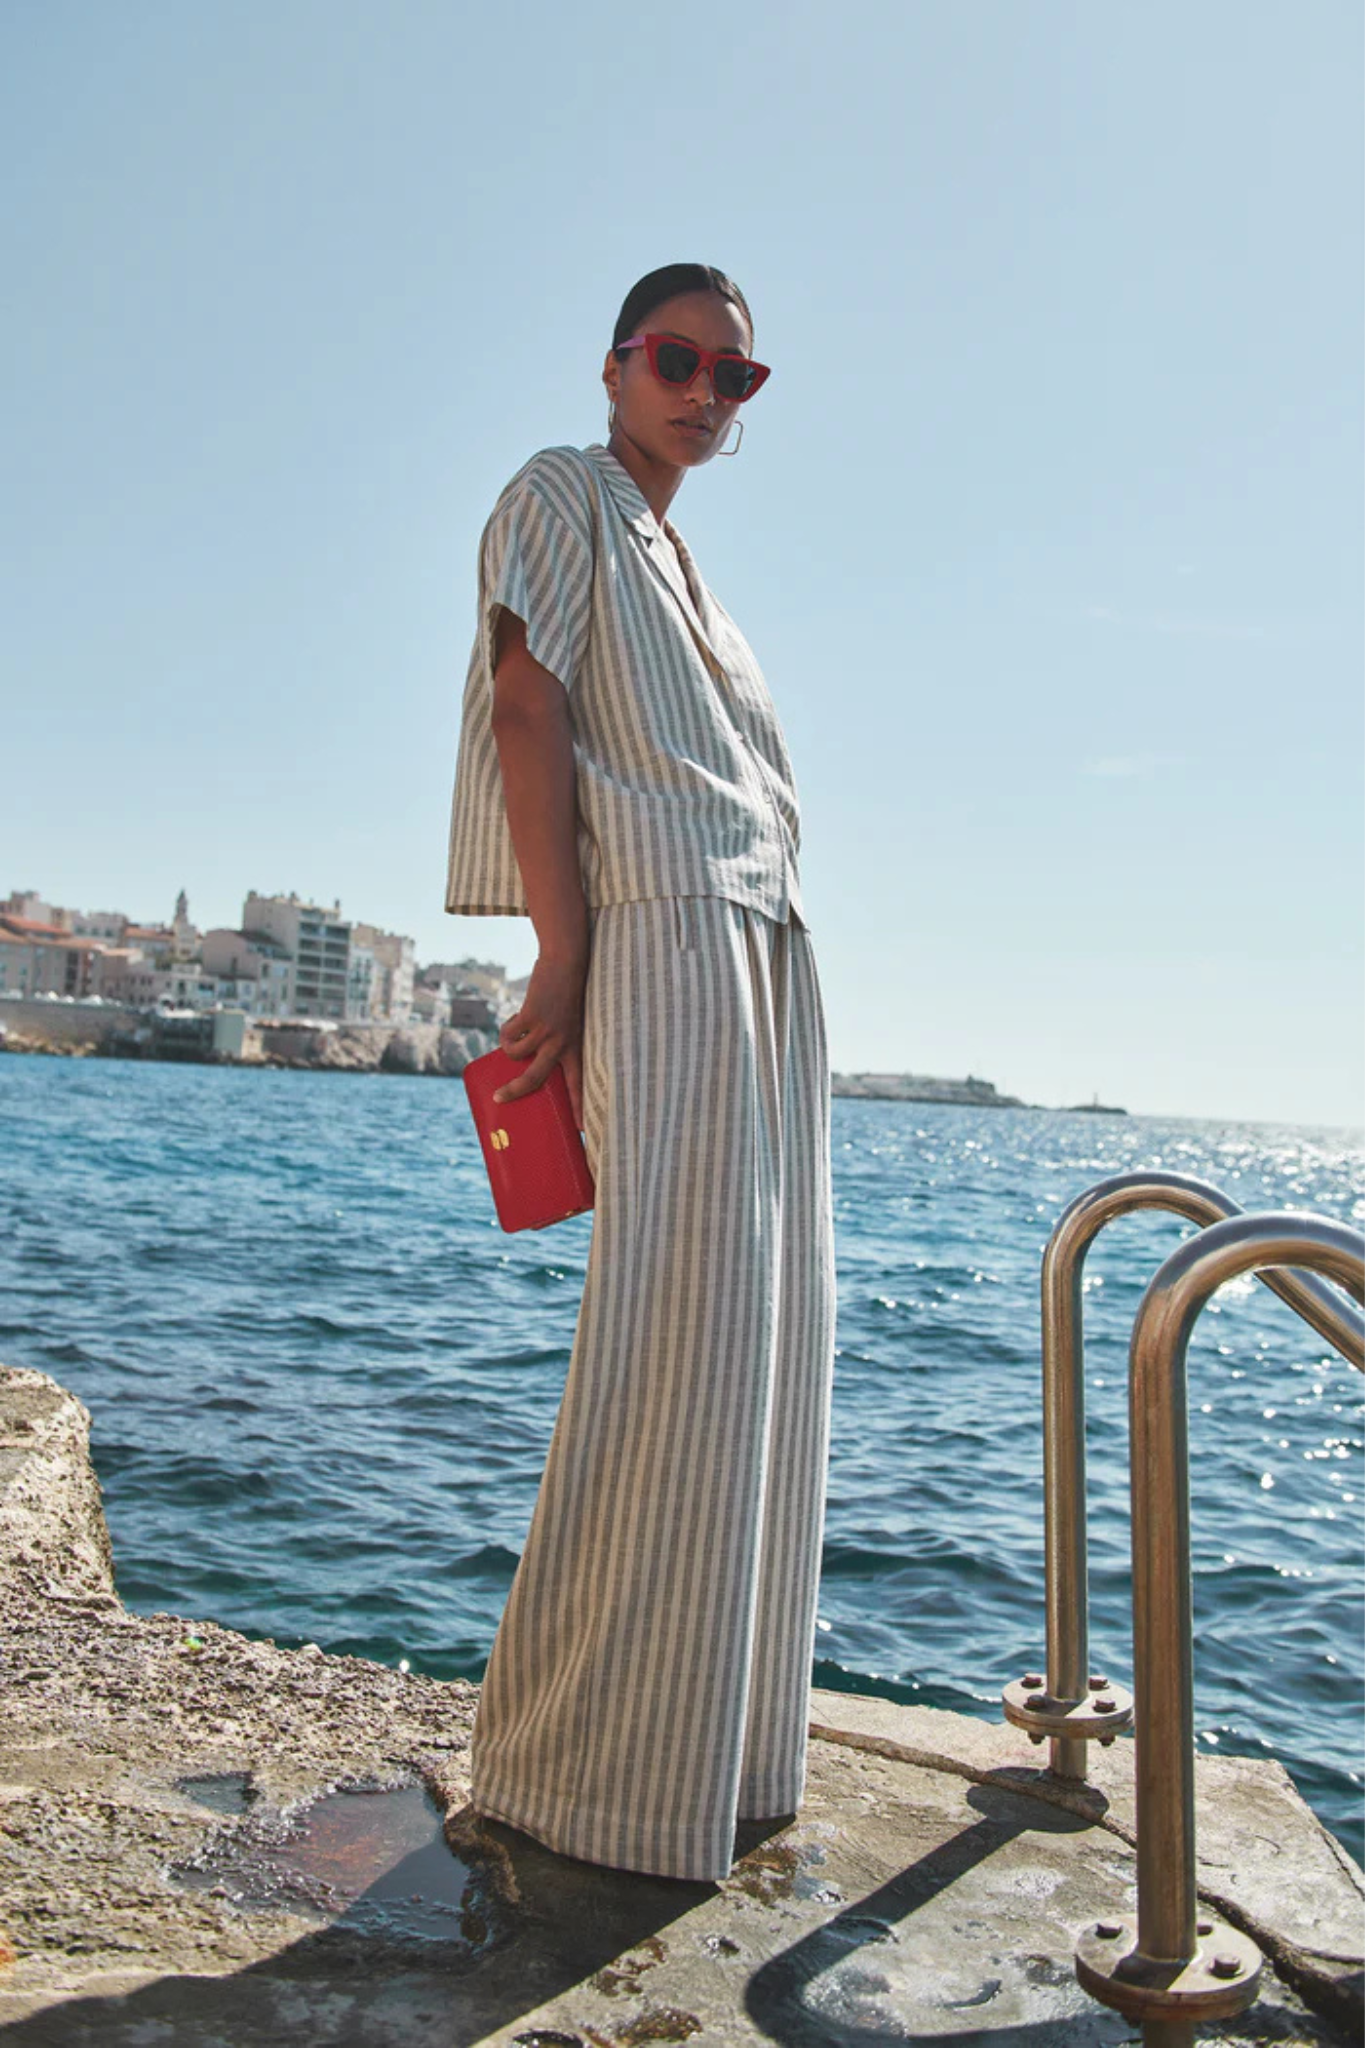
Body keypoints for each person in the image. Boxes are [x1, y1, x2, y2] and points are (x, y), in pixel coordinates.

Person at [443, 262, 837, 1884]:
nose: (703, 391)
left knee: (764, 1357)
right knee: (673, 1340)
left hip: (764, 951)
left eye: (735, 378)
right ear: (615, 367)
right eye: (679, 360)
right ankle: (574, 1773)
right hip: (660, 937)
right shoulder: (563, 494)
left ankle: (711, 1754)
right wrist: (563, 945)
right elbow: (524, 703)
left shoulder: (694, 570)